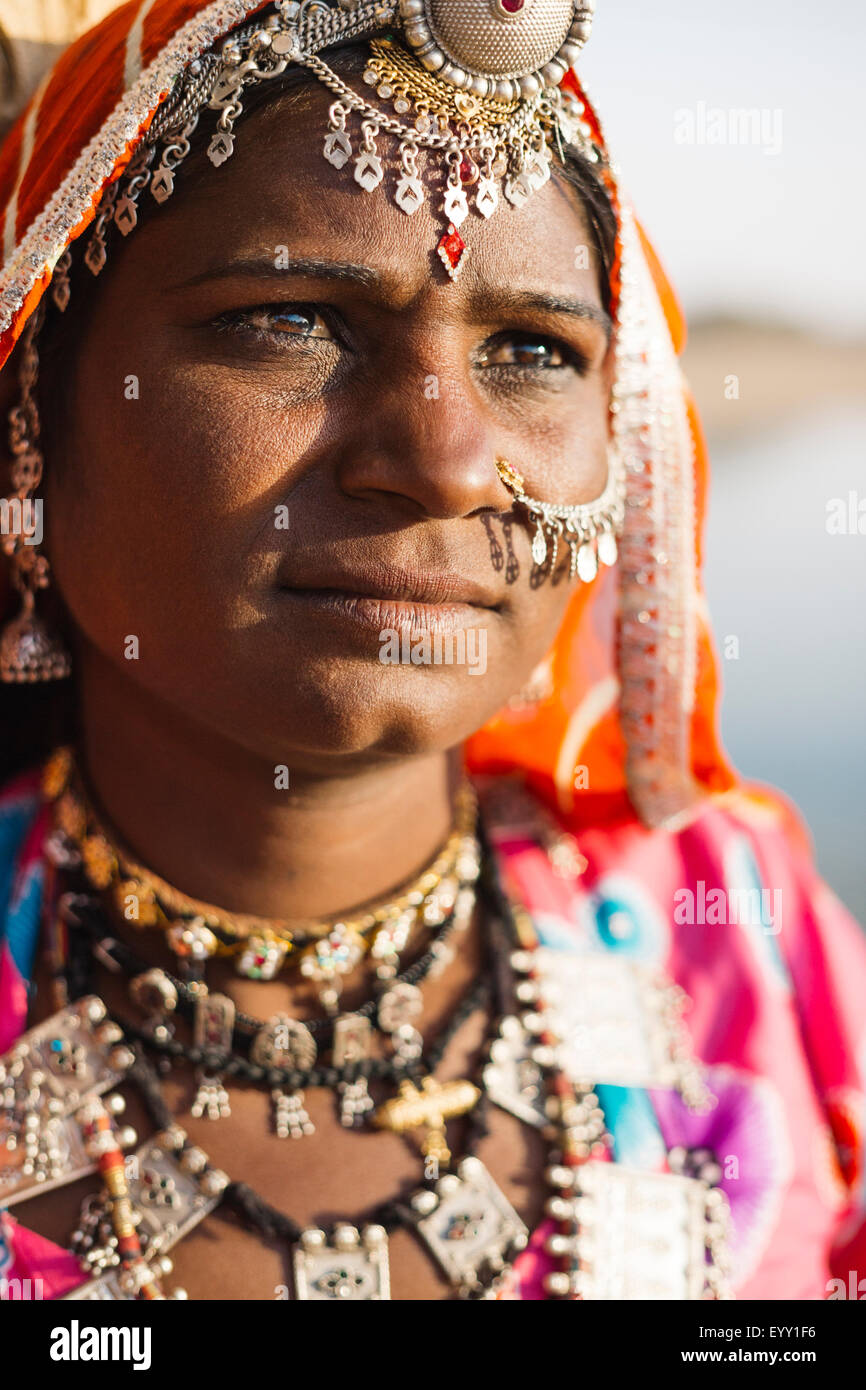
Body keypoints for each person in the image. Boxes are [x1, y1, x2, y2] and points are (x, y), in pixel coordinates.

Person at [0, 0, 863, 1303]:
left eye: (530, 350)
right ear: (31, 417)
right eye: (290, 319)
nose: (450, 464)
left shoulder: (739, 927)